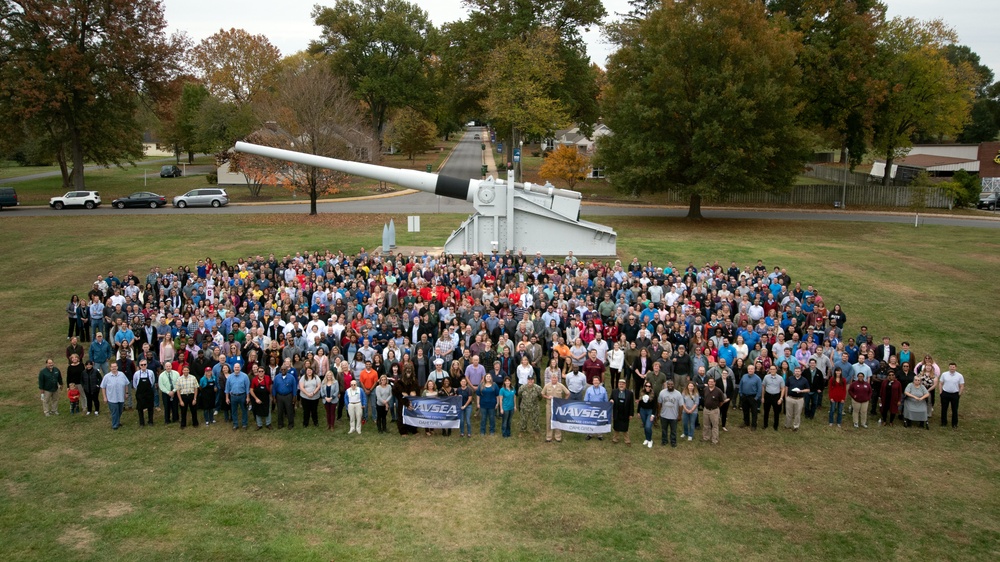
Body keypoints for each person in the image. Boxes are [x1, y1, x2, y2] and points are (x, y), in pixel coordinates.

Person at [99, 362, 129, 430]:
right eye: (112, 367)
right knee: (114, 412)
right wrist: (104, 397)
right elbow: (103, 387)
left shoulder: (122, 374)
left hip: (121, 397)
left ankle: (117, 421)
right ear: (110, 368)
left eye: (115, 366)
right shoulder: (107, 377)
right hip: (112, 398)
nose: (114, 368)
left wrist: (126, 393)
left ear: (117, 367)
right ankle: (115, 425)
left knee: (120, 411)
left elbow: (126, 384)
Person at [542, 372, 570, 443]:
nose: (554, 379)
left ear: (557, 378)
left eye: (555, 378)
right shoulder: (547, 385)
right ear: (551, 378)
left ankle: (558, 436)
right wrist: (547, 397)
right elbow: (542, 393)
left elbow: (567, 393)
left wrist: (563, 401)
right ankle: (549, 436)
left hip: (558, 406)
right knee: (549, 420)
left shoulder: (560, 385)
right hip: (549, 405)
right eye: (553, 378)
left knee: (558, 420)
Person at [701, 377, 729, 444]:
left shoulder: (718, 391)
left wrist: (717, 407)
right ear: (707, 382)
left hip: (714, 410)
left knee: (715, 425)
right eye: (709, 381)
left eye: (712, 382)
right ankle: (706, 437)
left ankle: (714, 440)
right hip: (706, 410)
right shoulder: (705, 389)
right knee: (706, 425)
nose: (710, 383)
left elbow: (722, 401)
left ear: (714, 383)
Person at [938, 362, 965, 428]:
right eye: (951, 367)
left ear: (956, 368)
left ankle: (954, 424)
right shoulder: (944, 374)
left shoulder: (959, 376)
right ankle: (943, 422)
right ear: (949, 367)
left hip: (955, 394)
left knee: (954, 409)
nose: (952, 368)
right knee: (944, 409)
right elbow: (940, 383)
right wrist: (941, 392)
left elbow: (962, 385)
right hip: (945, 393)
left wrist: (959, 394)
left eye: (953, 367)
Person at [658, 379, 683, 447]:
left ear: (674, 385)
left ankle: (673, 442)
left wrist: (679, 415)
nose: (670, 386)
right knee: (664, 429)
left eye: (672, 384)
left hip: (674, 416)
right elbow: (659, 403)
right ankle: (664, 441)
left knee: (673, 431)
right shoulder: (662, 392)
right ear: (667, 385)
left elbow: (681, 406)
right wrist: (658, 412)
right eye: (669, 384)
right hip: (664, 415)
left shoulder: (678, 393)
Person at [272, 364, 298, 430]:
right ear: (280, 370)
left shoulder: (291, 377)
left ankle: (291, 424)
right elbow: (274, 388)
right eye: (282, 369)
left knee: (289, 410)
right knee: (280, 411)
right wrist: (274, 397)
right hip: (279, 396)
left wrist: (294, 396)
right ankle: (280, 424)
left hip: (288, 396)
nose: (283, 370)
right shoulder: (277, 377)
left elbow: (294, 387)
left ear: (287, 370)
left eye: (284, 369)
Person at [225, 364, 251, 431]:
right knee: (234, 411)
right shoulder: (230, 377)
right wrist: (227, 398)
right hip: (233, 396)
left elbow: (247, 388)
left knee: (244, 410)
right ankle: (235, 424)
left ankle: (244, 424)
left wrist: (248, 397)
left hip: (242, 395)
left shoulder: (245, 376)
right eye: (235, 367)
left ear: (240, 368)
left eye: (238, 367)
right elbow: (227, 388)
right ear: (233, 368)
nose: (236, 368)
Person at [132, 359, 156, 427]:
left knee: (150, 407)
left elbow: (153, 382)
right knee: (140, 408)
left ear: (147, 365)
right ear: (139, 366)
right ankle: (141, 423)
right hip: (140, 393)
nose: (143, 366)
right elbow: (134, 384)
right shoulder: (136, 374)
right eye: (141, 365)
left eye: (144, 364)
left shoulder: (151, 372)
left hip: (149, 393)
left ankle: (150, 421)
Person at [784, 367, 809, 431]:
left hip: (799, 399)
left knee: (797, 414)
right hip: (790, 398)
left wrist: (801, 391)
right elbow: (786, 387)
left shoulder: (804, 380)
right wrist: (786, 396)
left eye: (798, 371)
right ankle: (787, 425)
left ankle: (796, 426)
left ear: (801, 372)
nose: (797, 372)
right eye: (796, 371)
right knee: (789, 413)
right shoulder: (790, 378)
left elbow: (808, 389)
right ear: (794, 372)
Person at [611, 378, 635, 445]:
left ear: (625, 385)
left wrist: (631, 414)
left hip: (625, 412)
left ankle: (627, 440)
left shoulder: (630, 393)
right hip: (617, 412)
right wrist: (611, 400)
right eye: (620, 384)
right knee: (616, 427)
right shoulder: (614, 391)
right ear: (618, 384)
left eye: (622, 384)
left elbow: (631, 404)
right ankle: (615, 439)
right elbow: (611, 399)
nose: (621, 385)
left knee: (625, 427)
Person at [761, 365, 784, 432]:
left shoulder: (780, 378)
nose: (772, 370)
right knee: (766, 411)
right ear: (769, 370)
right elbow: (763, 387)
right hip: (767, 395)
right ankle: (765, 425)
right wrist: (762, 397)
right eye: (771, 369)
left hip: (776, 396)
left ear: (776, 370)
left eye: (774, 369)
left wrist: (781, 398)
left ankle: (775, 426)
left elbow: (783, 388)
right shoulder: (766, 377)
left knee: (776, 412)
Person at [738, 364, 762, 430]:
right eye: (749, 369)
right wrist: (740, 394)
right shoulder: (744, 376)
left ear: (754, 370)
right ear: (747, 370)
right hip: (744, 396)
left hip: (753, 397)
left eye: (752, 369)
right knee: (745, 410)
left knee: (754, 412)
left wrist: (756, 398)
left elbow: (760, 389)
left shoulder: (757, 378)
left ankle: (754, 425)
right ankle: (746, 422)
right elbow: (740, 385)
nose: (750, 370)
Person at [637, 381, 657, 448]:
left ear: (651, 387)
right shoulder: (642, 393)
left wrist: (653, 415)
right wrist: (638, 412)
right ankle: (647, 438)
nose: (647, 387)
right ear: (644, 386)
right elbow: (640, 403)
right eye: (646, 386)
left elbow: (655, 405)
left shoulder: (653, 394)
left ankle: (650, 440)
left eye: (649, 386)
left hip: (650, 411)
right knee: (645, 425)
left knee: (648, 426)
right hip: (642, 410)